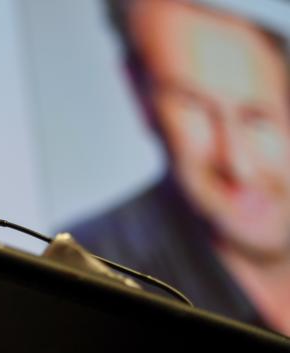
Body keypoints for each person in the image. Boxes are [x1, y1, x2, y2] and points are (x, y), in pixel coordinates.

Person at [67, 0, 290, 335]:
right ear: (139, 92)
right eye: (193, 106)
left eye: (256, 117)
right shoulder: (90, 270)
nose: (237, 165)